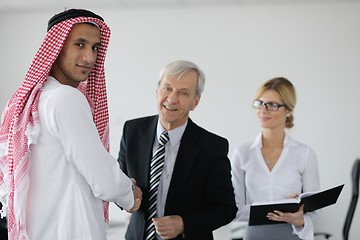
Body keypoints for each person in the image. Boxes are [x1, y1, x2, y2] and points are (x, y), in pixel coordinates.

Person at [0, 9, 142, 240]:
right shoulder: (65, 98)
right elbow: (104, 180)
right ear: (56, 48)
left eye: (95, 47)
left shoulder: (29, 99)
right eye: (79, 44)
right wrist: (130, 193)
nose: (89, 57)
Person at [117, 60, 237, 240]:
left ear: (195, 102)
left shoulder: (212, 147)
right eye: (167, 88)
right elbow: (119, 181)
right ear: (157, 91)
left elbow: (226, 209)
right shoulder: (132, 131)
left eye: (183, 93)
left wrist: (184, 223)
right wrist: (126, 197)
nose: (172, 98)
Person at [231, 77, 320, 240]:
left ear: (288, 110)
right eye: (260, 103)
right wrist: (278, 210)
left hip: (292, 235)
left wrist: (299, 217)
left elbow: (314, 210)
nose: (263, 110)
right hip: (255, 236)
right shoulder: (242, 153)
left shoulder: (304, 154)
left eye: (272, 105)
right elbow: (235, 209)